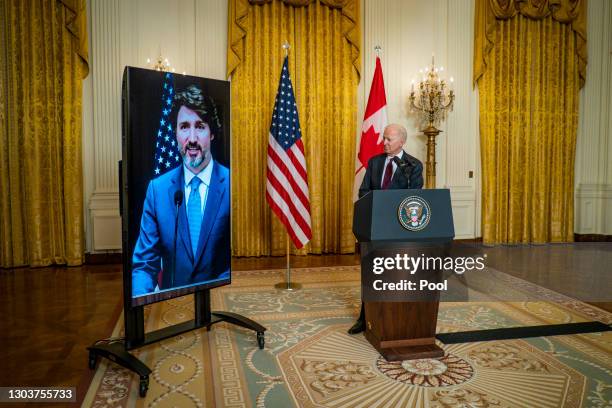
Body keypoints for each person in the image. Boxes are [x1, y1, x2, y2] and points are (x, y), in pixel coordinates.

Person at [132, 85, 230, 296]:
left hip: (219, 297)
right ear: (175, 133)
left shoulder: (230, 184)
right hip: (171, 302)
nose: (192, 138)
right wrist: (142, 303)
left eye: (200, 126)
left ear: (212, 133)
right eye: (184, 126)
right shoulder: (157, 190)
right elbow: (144, 266)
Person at [349, 123, 423, 334]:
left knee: (396, 277)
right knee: (371, 274)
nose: (384, 142)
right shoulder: (374, 162)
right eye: (384, 138)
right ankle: (365, 318)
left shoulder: (413, 165)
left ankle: (397, 319)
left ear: (402, 141)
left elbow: (413, 199)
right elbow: (364, 192)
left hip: (398, 230)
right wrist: (378, 208)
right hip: (373, 228)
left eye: (389, 139)